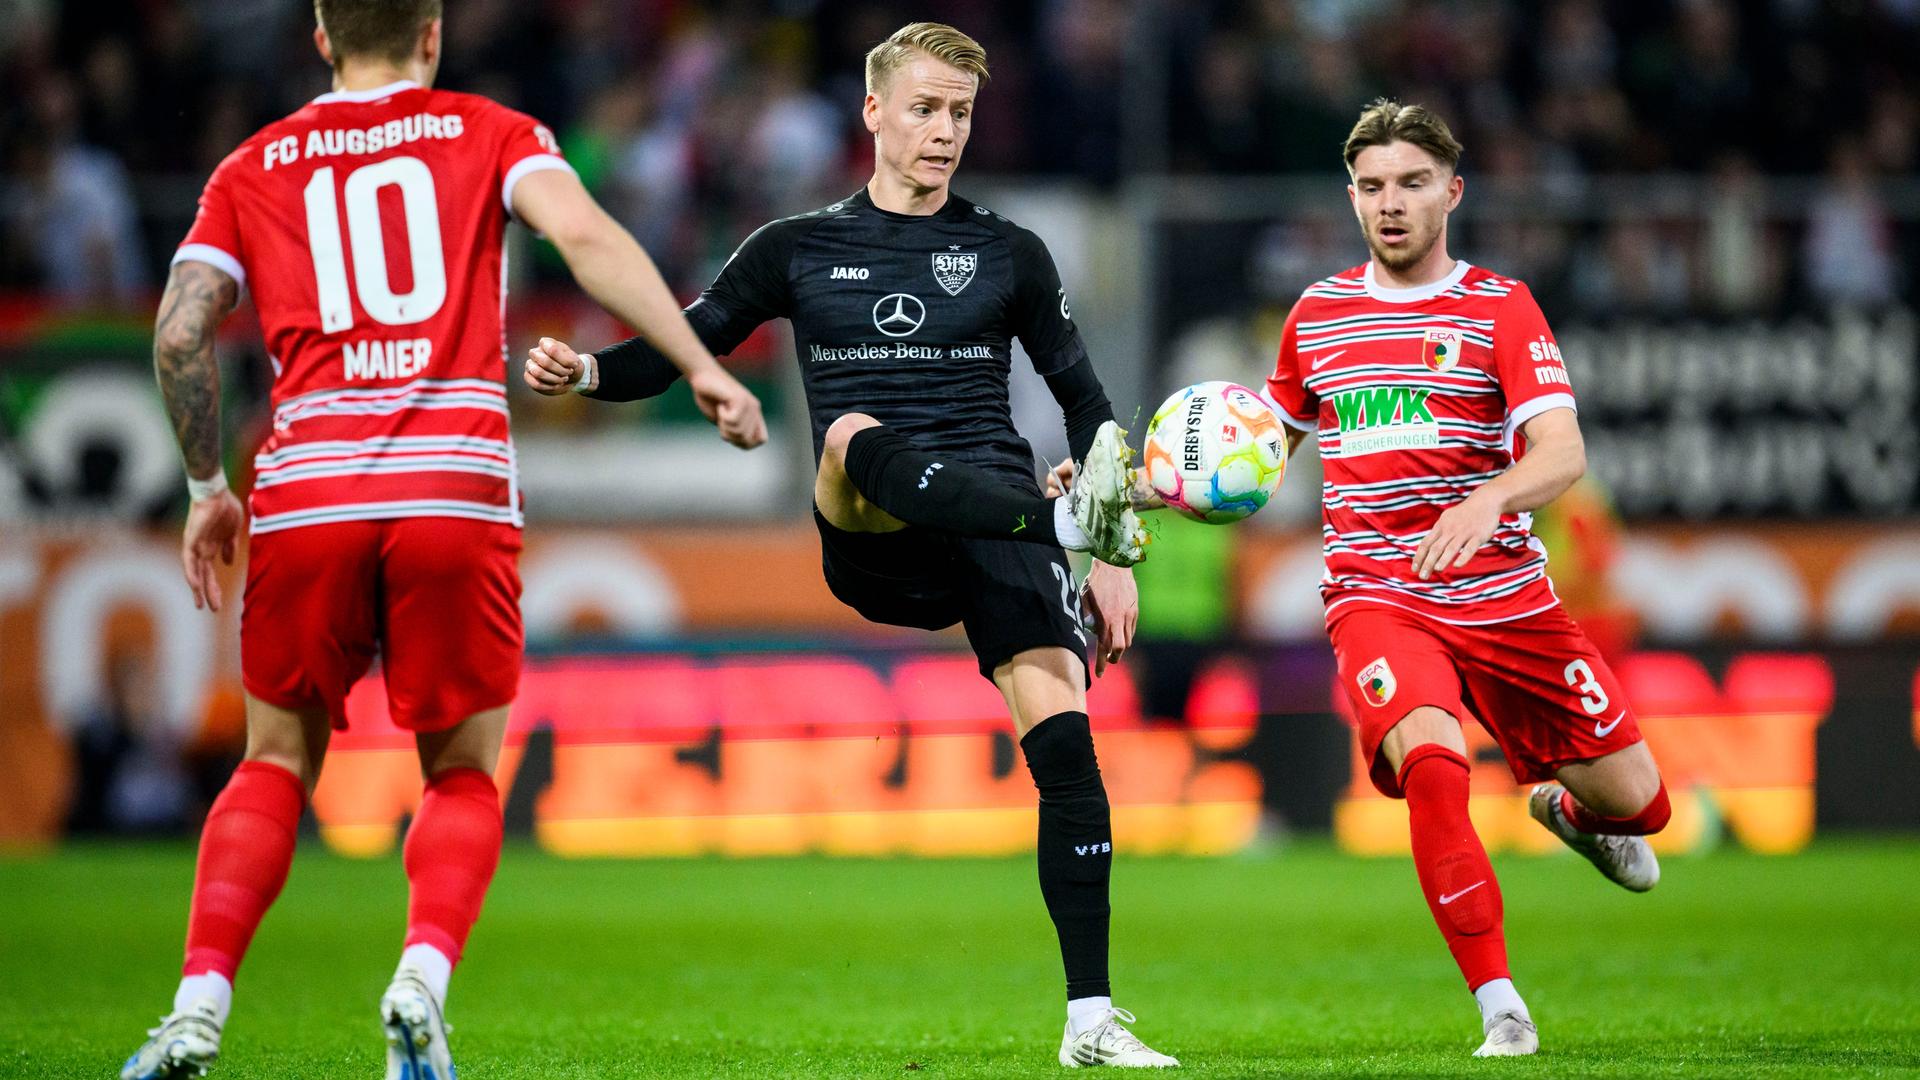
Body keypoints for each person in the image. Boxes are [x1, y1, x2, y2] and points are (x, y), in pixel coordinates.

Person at [121, 2, 764, 1077]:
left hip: (309, 491)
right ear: (431, 34)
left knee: (276, 762)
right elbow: (588, 236)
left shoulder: (251, 166)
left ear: (322, 40)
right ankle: (420, 981)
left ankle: (196, 1007)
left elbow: (181, 330)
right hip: (452, 491)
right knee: (461, 772)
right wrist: (697, 363)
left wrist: (202, 488)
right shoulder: (492, 131)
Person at [523, 21, 1175, 1070]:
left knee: (1068, 750)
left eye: (960, 113)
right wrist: (591, 376)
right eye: (924, 108)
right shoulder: (795, 246)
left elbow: (1089, 408)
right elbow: (695, 336)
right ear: (873, 111)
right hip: (877, 531)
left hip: (1000, 510)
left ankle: (1091, 1021)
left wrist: (1111, 560)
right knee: (851, 434)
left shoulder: (1010, 251)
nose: (944, 131)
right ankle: (1054, 524)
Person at [1261, 100, 1670, 1057]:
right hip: (1376, 592)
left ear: (1453, 190)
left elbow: (1562, 451)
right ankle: (1501, 1007)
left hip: (1505, 595)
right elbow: (1253, 460)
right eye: (1371, 187)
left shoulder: (1499, 305)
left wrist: (1489, 499)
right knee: (1435, 769)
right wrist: (1146, 493)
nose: (1389, 204)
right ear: (1350, 197)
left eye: (1410, 184)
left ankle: (1573, 812)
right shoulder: (1316, 316)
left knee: (1641, 806)